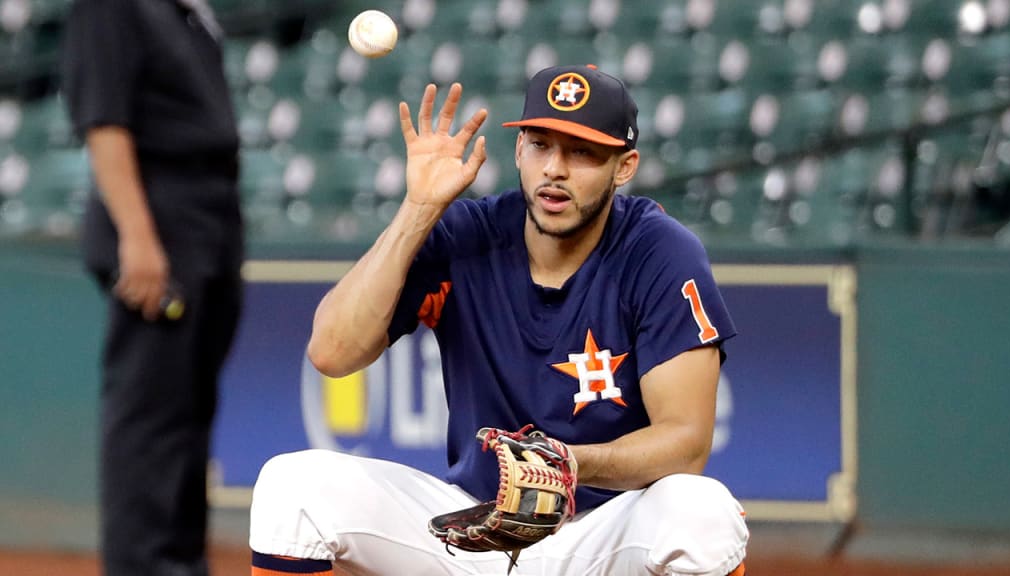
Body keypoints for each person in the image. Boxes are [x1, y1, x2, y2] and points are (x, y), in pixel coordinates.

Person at [249, 65, 748, 576]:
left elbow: (686, 443)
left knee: (701, 512)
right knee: (293, 486)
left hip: (603, 537)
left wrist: (573, 463)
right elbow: (332, 352)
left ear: (624, 167)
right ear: (518, 150)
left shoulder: (658, 251)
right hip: (469, 532)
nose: (555, 168)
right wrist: (418, 209)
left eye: (582, 152)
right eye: (540, 144)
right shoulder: (466, 235)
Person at [62, 1, 243, 574]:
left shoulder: (185, 10)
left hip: (207, 223)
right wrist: (136, 237)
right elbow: (105, 123)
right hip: (159, 224)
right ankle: (142, 564)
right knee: (152, 419)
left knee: (188, 414)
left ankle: (181, 563)